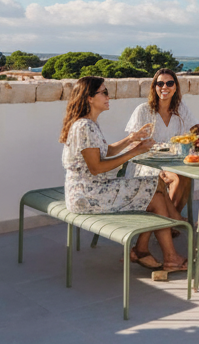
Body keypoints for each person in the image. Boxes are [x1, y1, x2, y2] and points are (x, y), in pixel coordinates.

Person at [60, 76, 186, 272]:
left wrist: (130, 139)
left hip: (90, 190)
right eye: (104, 92)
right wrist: (135, 151)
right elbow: (97, 167)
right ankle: (168, 248)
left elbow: (104, 151)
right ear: (89, 98)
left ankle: (150, 248)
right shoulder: (84, 127)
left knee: (154, 187)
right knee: (156, 195)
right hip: (89, 195)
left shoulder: (87, 124)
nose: (108, 96)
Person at [125, 68, 199, 269]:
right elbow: (133, 144)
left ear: (176, 87)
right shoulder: (143, 110)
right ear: (154, 87)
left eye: (169, 83)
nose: (164, 87)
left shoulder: (180, 109)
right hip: (146, 163)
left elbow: (196, 131)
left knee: (184, 177)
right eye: (160, 84)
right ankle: (173, 222)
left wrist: (197, 138)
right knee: (166, 180)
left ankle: (167, 224)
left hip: (172, 163)